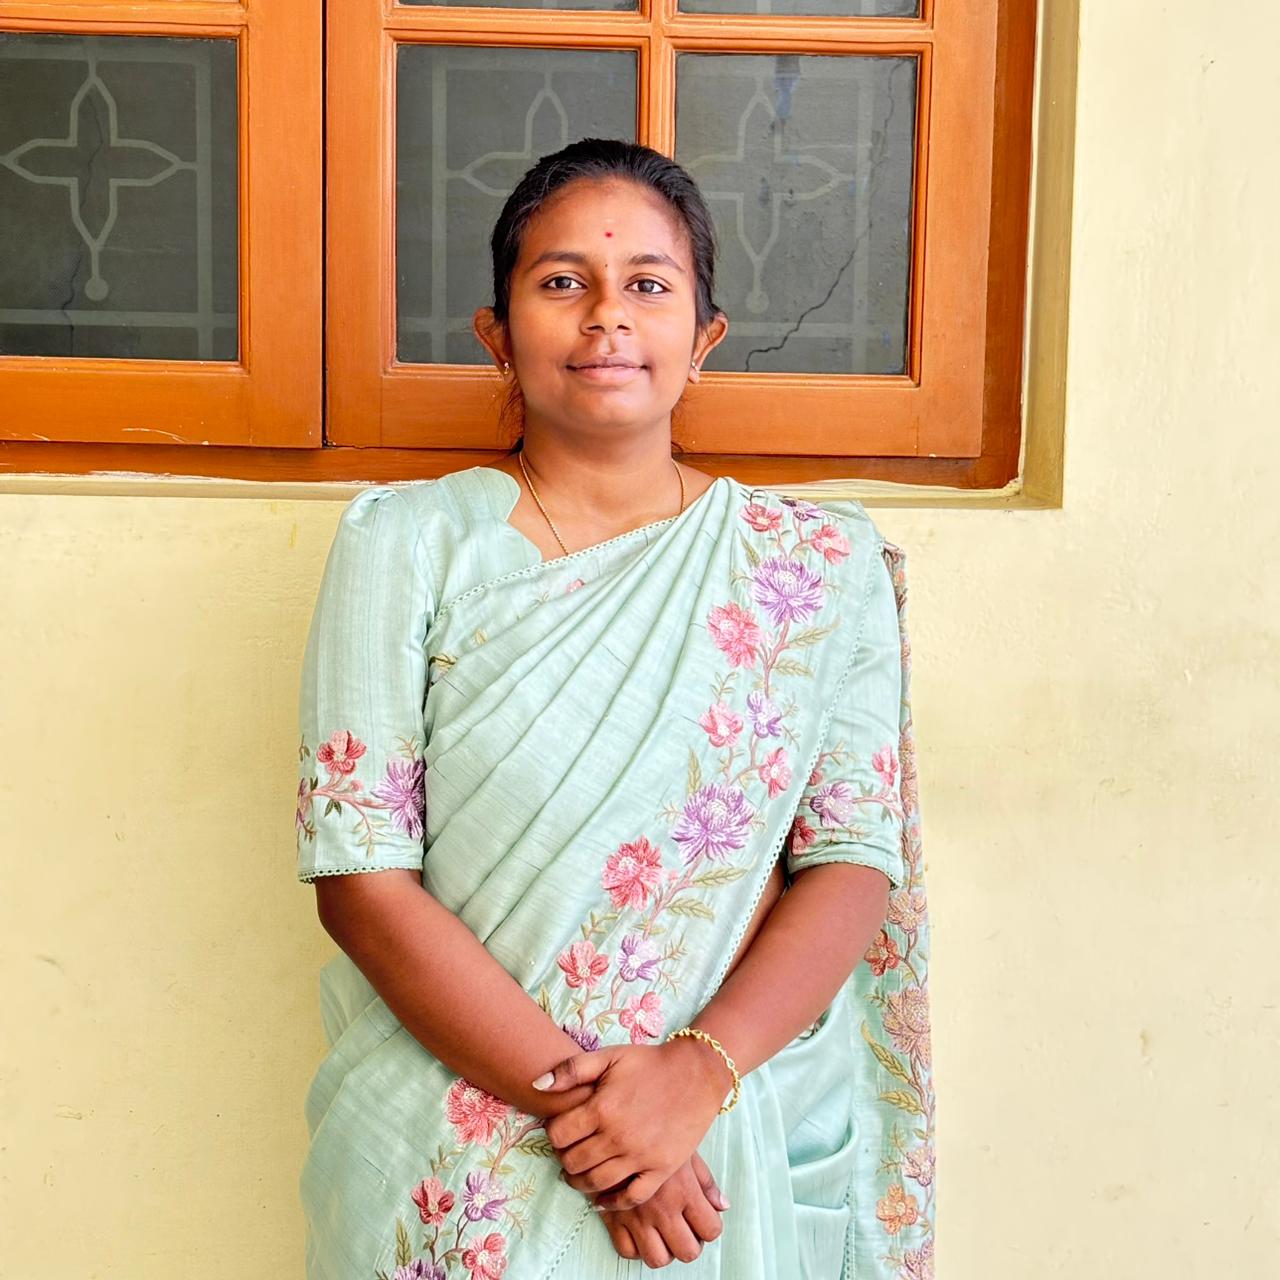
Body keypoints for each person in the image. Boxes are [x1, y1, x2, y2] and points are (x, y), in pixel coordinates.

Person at [294, 138, 936, 1280]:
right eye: (561, 281)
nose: (606, 316)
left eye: (648, 282)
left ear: (705, 336)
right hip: (458, 1145)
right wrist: (604, 1128)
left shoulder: (814, 565)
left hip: (727, 1131)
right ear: (497, 332)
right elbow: (362, 877)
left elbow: (850, 859)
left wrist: (693, 1076)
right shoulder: (405, 543)